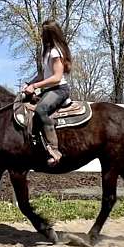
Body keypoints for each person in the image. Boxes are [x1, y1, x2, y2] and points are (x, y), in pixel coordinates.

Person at [22, 19, 72, 166]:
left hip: (59, 90)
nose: (41, 36)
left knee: (41, 110)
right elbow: (44, 75)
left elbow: (56, 78)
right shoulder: (48, 52)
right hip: (50, 89)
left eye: (43, 33)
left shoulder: (56, 52)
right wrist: (29, 84)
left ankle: (54, 151)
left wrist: (36, 86)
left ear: (50, 35)